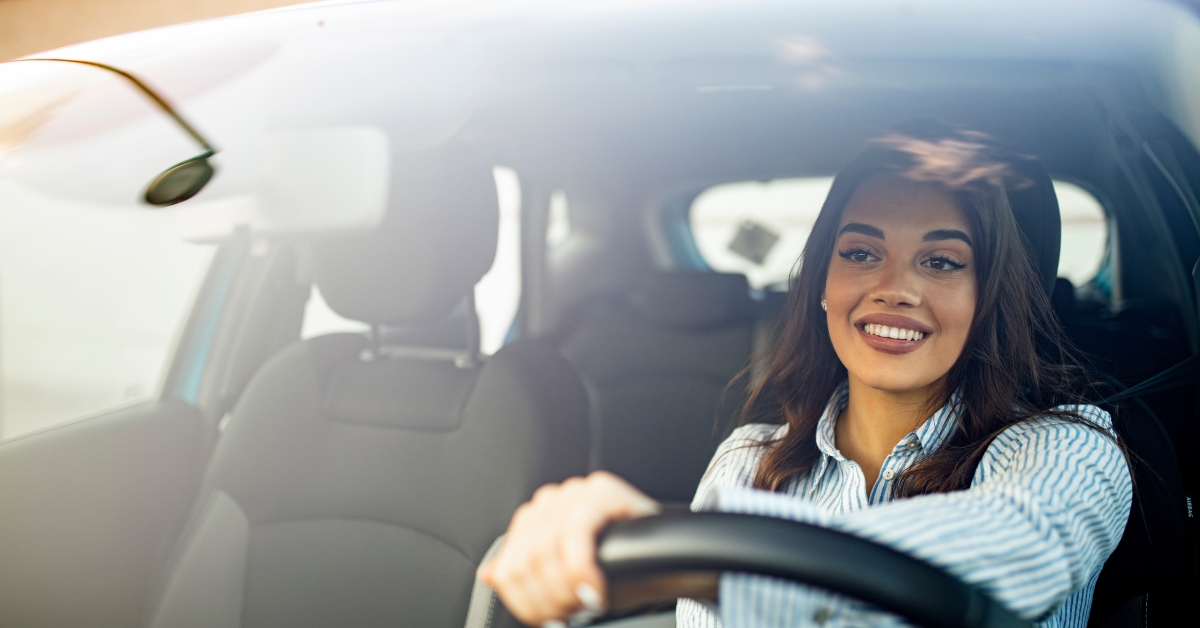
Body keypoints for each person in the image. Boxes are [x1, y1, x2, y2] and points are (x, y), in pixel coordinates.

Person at [477, 121, 1132, 628]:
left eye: (941, 262)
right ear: (822, 283)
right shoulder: (748, 463)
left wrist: (709, 557)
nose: (893, 288)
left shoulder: (1069, 448)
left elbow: (1022, 548)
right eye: (861, 252)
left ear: (988, 296)